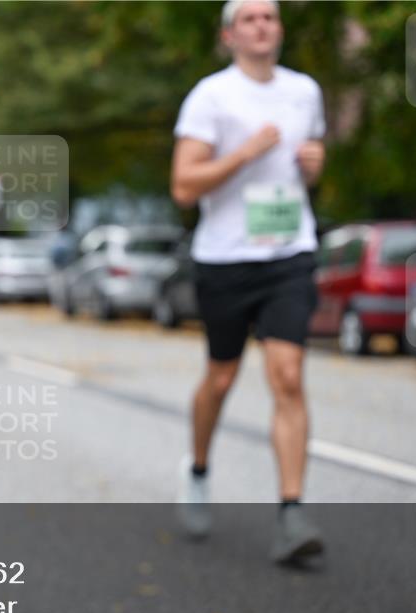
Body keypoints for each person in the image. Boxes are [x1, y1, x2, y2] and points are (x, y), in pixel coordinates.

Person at [170, 0, 327, 563]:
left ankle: (291, 513)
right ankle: (197, 468)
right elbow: (184, 187)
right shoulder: (211, 97)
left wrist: (313, 165)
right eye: (252, 19)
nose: (264, 26)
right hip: (226, 259)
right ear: (229, 34)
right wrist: (243, 153)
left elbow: (307, 170)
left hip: (289, 251)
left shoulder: (304, 92)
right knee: (221, 377)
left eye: (272, 17)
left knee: (287, 375)